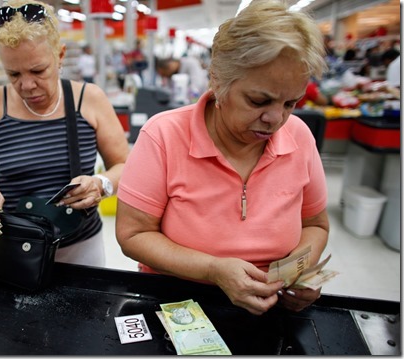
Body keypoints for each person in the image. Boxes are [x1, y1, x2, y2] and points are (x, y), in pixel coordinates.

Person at [116, 0, 329, 316]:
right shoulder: (164, 136)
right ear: (218, 81)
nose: (276, 119)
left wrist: (297, 272)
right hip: (175, 303)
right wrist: (212, 269)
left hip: (269, 308)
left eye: (290, 103)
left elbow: (316, 225)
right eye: (259, 100)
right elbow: (133, 234)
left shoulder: (298, 137)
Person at [0, 0, 129, 266]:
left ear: (60, 55)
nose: (27, 85)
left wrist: (102, 184)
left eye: (38, 70)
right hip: (14, 248)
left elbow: (125, 166)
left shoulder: (89, 99)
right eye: (13, 74)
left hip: (80, 249)